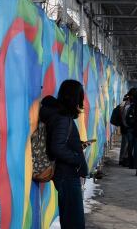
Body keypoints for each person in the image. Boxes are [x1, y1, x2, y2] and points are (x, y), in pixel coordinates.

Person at [39, 80, 89, 229]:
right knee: (74, 222)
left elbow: (60, 142)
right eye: (80, 96)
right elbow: (57, 147)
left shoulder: (59, 115)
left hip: (65, 174)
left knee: (70, 219)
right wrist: (77, 159)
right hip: (67, 174)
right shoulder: (62, 117)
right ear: (74, 97)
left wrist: (76, 145)